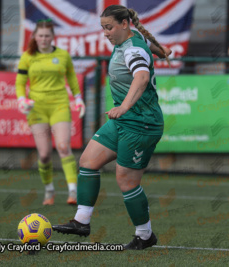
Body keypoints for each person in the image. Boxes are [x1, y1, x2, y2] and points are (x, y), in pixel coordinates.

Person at [52, 5, 171, 250]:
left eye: (109, 27)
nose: (105, 33)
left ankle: (145, 235)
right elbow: (152, 48)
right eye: (103, 28)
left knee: (126, 180)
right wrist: (162, 50)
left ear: (125, 24)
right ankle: (81, 222)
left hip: (141, 123)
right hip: (123, 122)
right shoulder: (134, 40)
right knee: (87, 161)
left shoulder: (133, 48)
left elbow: (142, 78)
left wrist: (125, 106)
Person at [15, 19, 86, 206]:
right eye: (41, 35)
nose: (44, 39)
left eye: (47, 35)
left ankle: (73, 191)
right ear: (35, 37)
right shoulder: (27, 56)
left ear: (53, 37)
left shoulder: (63, 55)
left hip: (60, 104)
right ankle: (49, 190)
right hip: (37, 107)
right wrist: (21, 99)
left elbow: (71, 77)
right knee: (45, 154)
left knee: (63, 147)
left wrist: (78, 98)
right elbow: (20, 83)